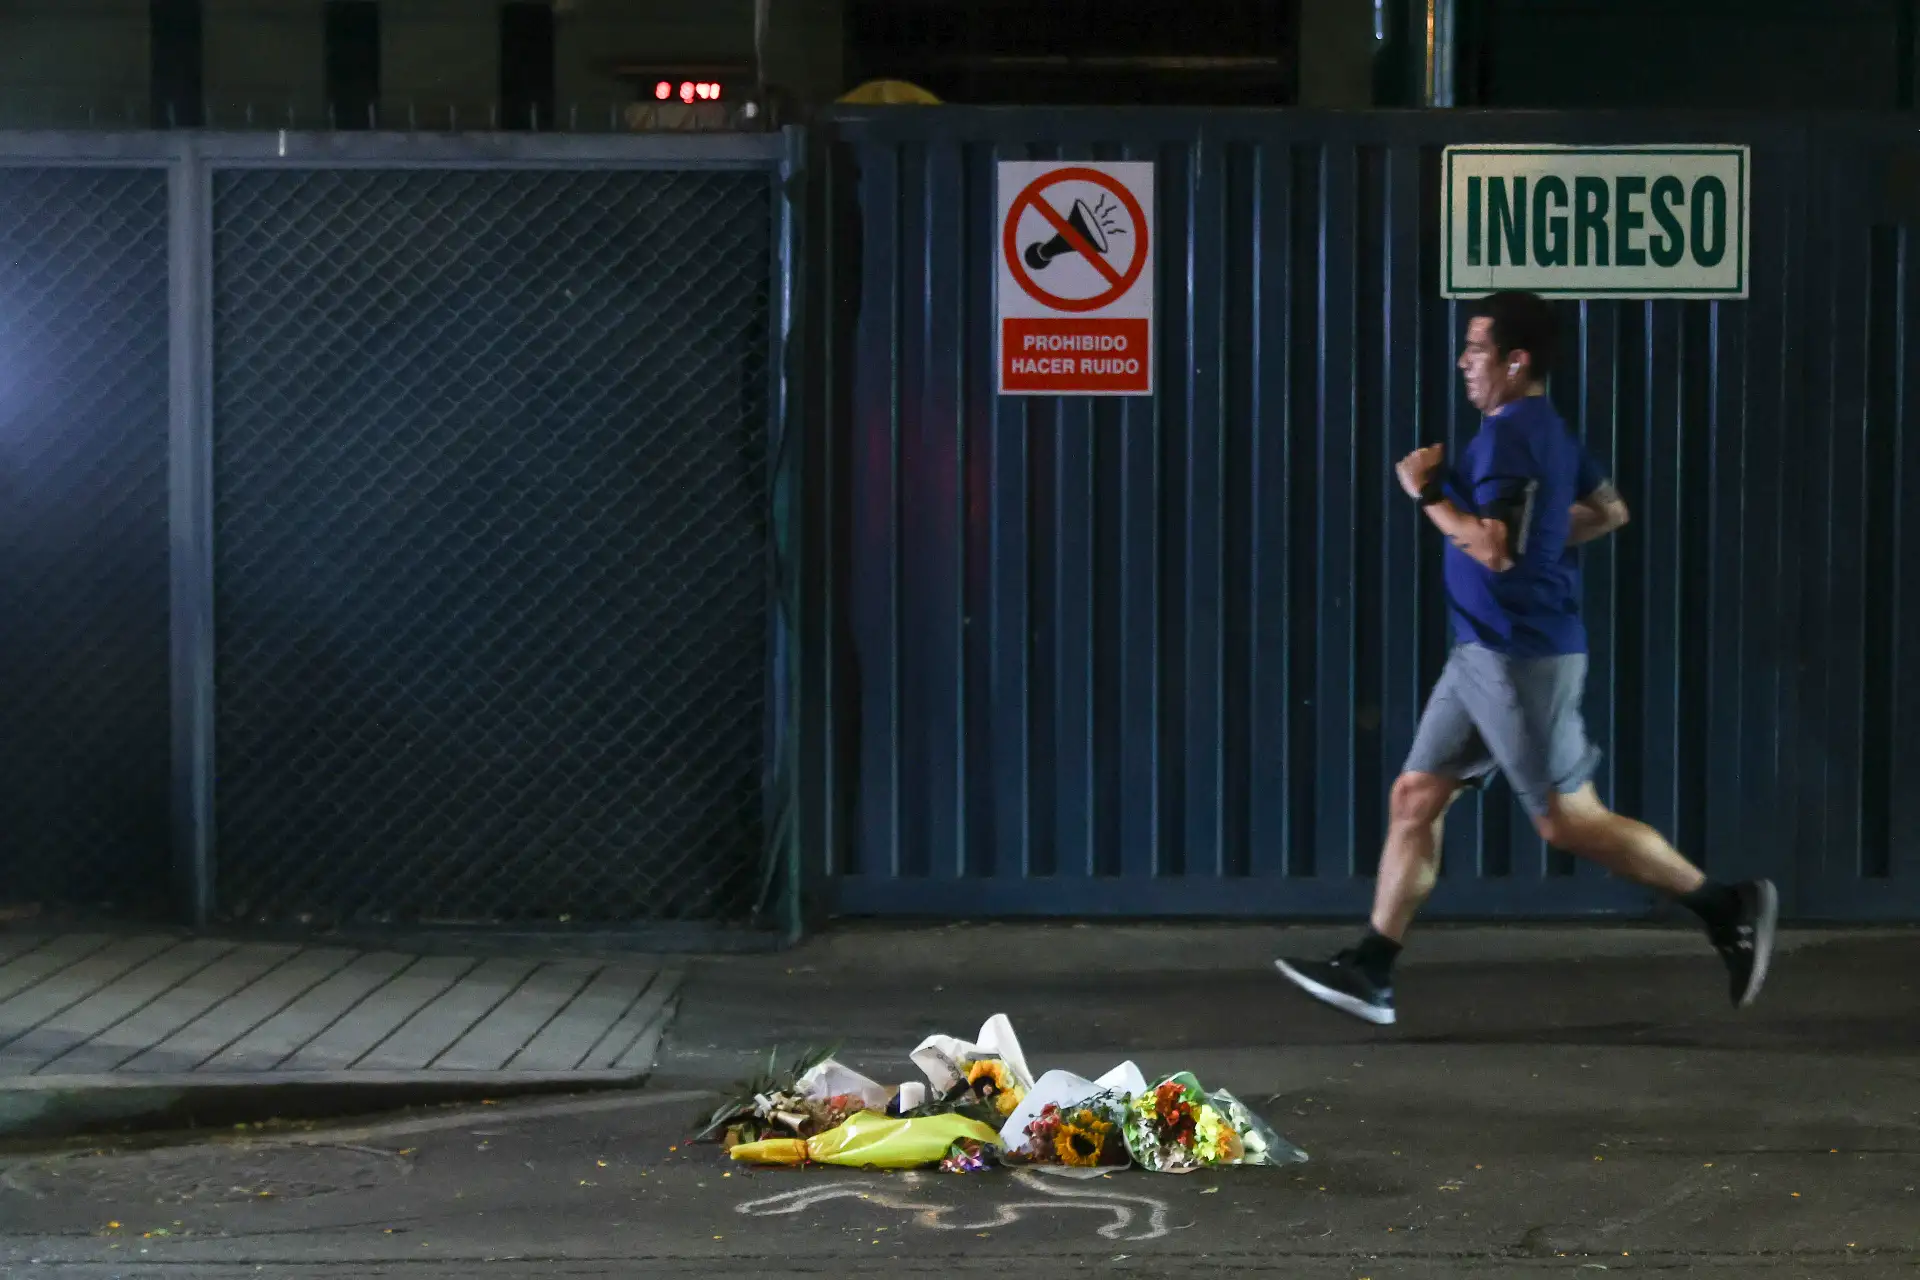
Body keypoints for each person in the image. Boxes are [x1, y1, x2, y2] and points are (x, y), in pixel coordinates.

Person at [1273, 290, 1776, 1027]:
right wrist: (1531, 543)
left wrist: (1428, 494)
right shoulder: (1548, 433)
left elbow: (1495, 547)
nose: (1464, 363)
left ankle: (1724, 905)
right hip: (1479, 650)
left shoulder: (1513, 437)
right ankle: (1373, 969)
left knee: (1567, 822)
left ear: (1517, 359)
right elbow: (1608, 512)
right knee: (1415, 796)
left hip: (1519, 657)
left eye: (1477, 349)